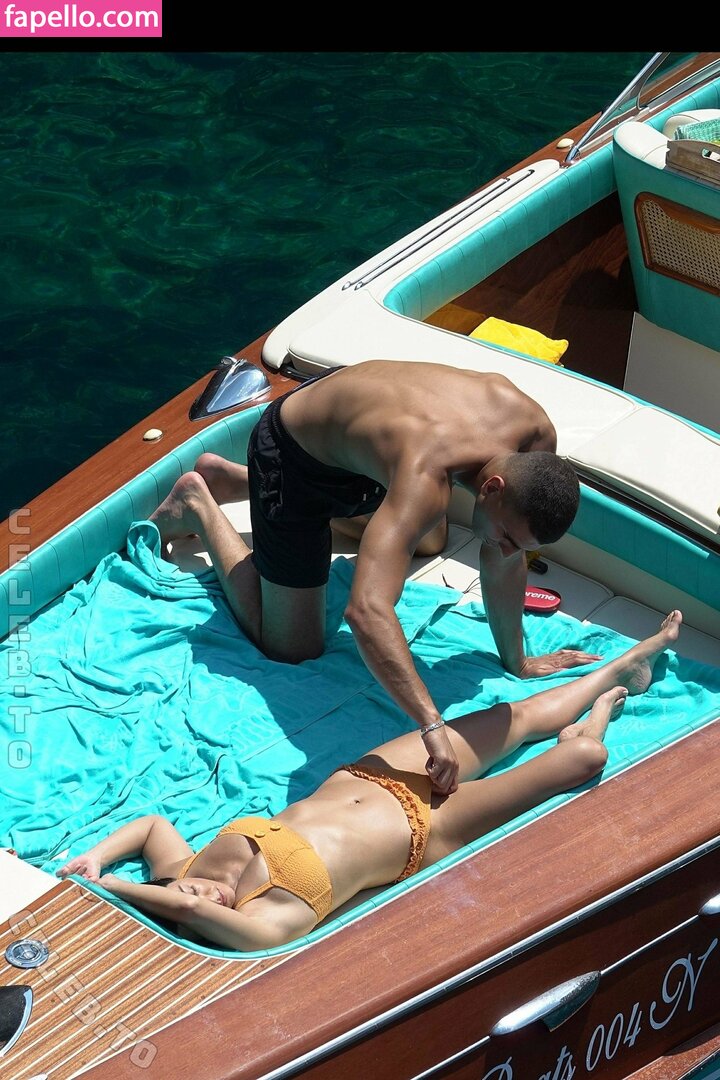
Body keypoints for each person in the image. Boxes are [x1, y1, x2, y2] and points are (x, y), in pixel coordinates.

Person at [57, 610, 681, 952]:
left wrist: (96, 859)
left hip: (372, 774)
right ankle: (597, 717)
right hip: (427, 829)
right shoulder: (261, 925)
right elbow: (181, 906)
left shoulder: (184, 869)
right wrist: (117, 892)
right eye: (195, 907)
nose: (200, 893)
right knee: (582, 760)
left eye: (186, 888)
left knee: (512, 719)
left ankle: (622, 667)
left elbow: (150, 827)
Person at [149, 360, 600, 796]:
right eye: (507, 538)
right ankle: (199, 502)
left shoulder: (535, 436)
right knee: (292, 647)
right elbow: (366, 611)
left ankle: (235, 481)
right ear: (492, 487)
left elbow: (502, 558)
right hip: (292, 454)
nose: (506, 552)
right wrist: (432, 724)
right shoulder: (425, 479)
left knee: (428, 539)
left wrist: (517, 660)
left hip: (356, 442)